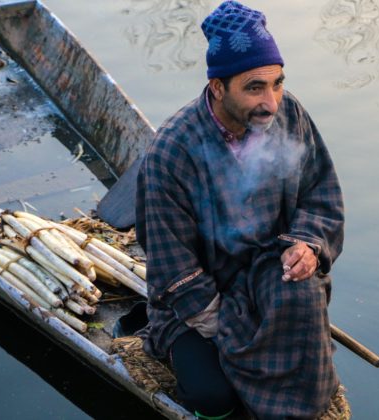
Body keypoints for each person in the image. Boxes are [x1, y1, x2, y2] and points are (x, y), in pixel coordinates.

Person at [135, 1, 345, 418]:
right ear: (218, 87)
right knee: (215, 395)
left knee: (306, 320)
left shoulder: (288, 115)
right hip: (199, 296)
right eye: (254, 88)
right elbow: (171, 264)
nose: (271, 101)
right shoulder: (172, 152)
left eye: (277, 83)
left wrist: (305, 245)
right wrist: (233, 330)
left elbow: (320, 192)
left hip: (268, 269)